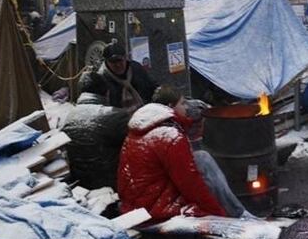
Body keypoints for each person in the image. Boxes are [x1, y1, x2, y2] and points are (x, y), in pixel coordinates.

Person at [117, 86, 251, 222]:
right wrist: (218, 215)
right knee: (202, 161)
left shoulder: (139, 130)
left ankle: (237, 212)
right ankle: (239, 215)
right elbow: (191, 184)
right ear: (170, 107)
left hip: (136, 204)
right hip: (155, 209)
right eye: (182, 103)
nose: (187, 108)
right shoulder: (169, 136)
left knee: (200, 157)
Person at [62, 71, 131, 190]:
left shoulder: (68, 117)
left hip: (81, 186)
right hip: (113, 185)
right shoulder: (116, 116)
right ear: (107, 93)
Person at [98, 42, 157, 109]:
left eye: (120, 60)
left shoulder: (136, 68)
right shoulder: (100, 79)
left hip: (144, 111)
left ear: (126, 57)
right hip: (116, 116)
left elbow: (152, 87)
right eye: (113, 62)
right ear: (106, 62)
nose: (118, 65)